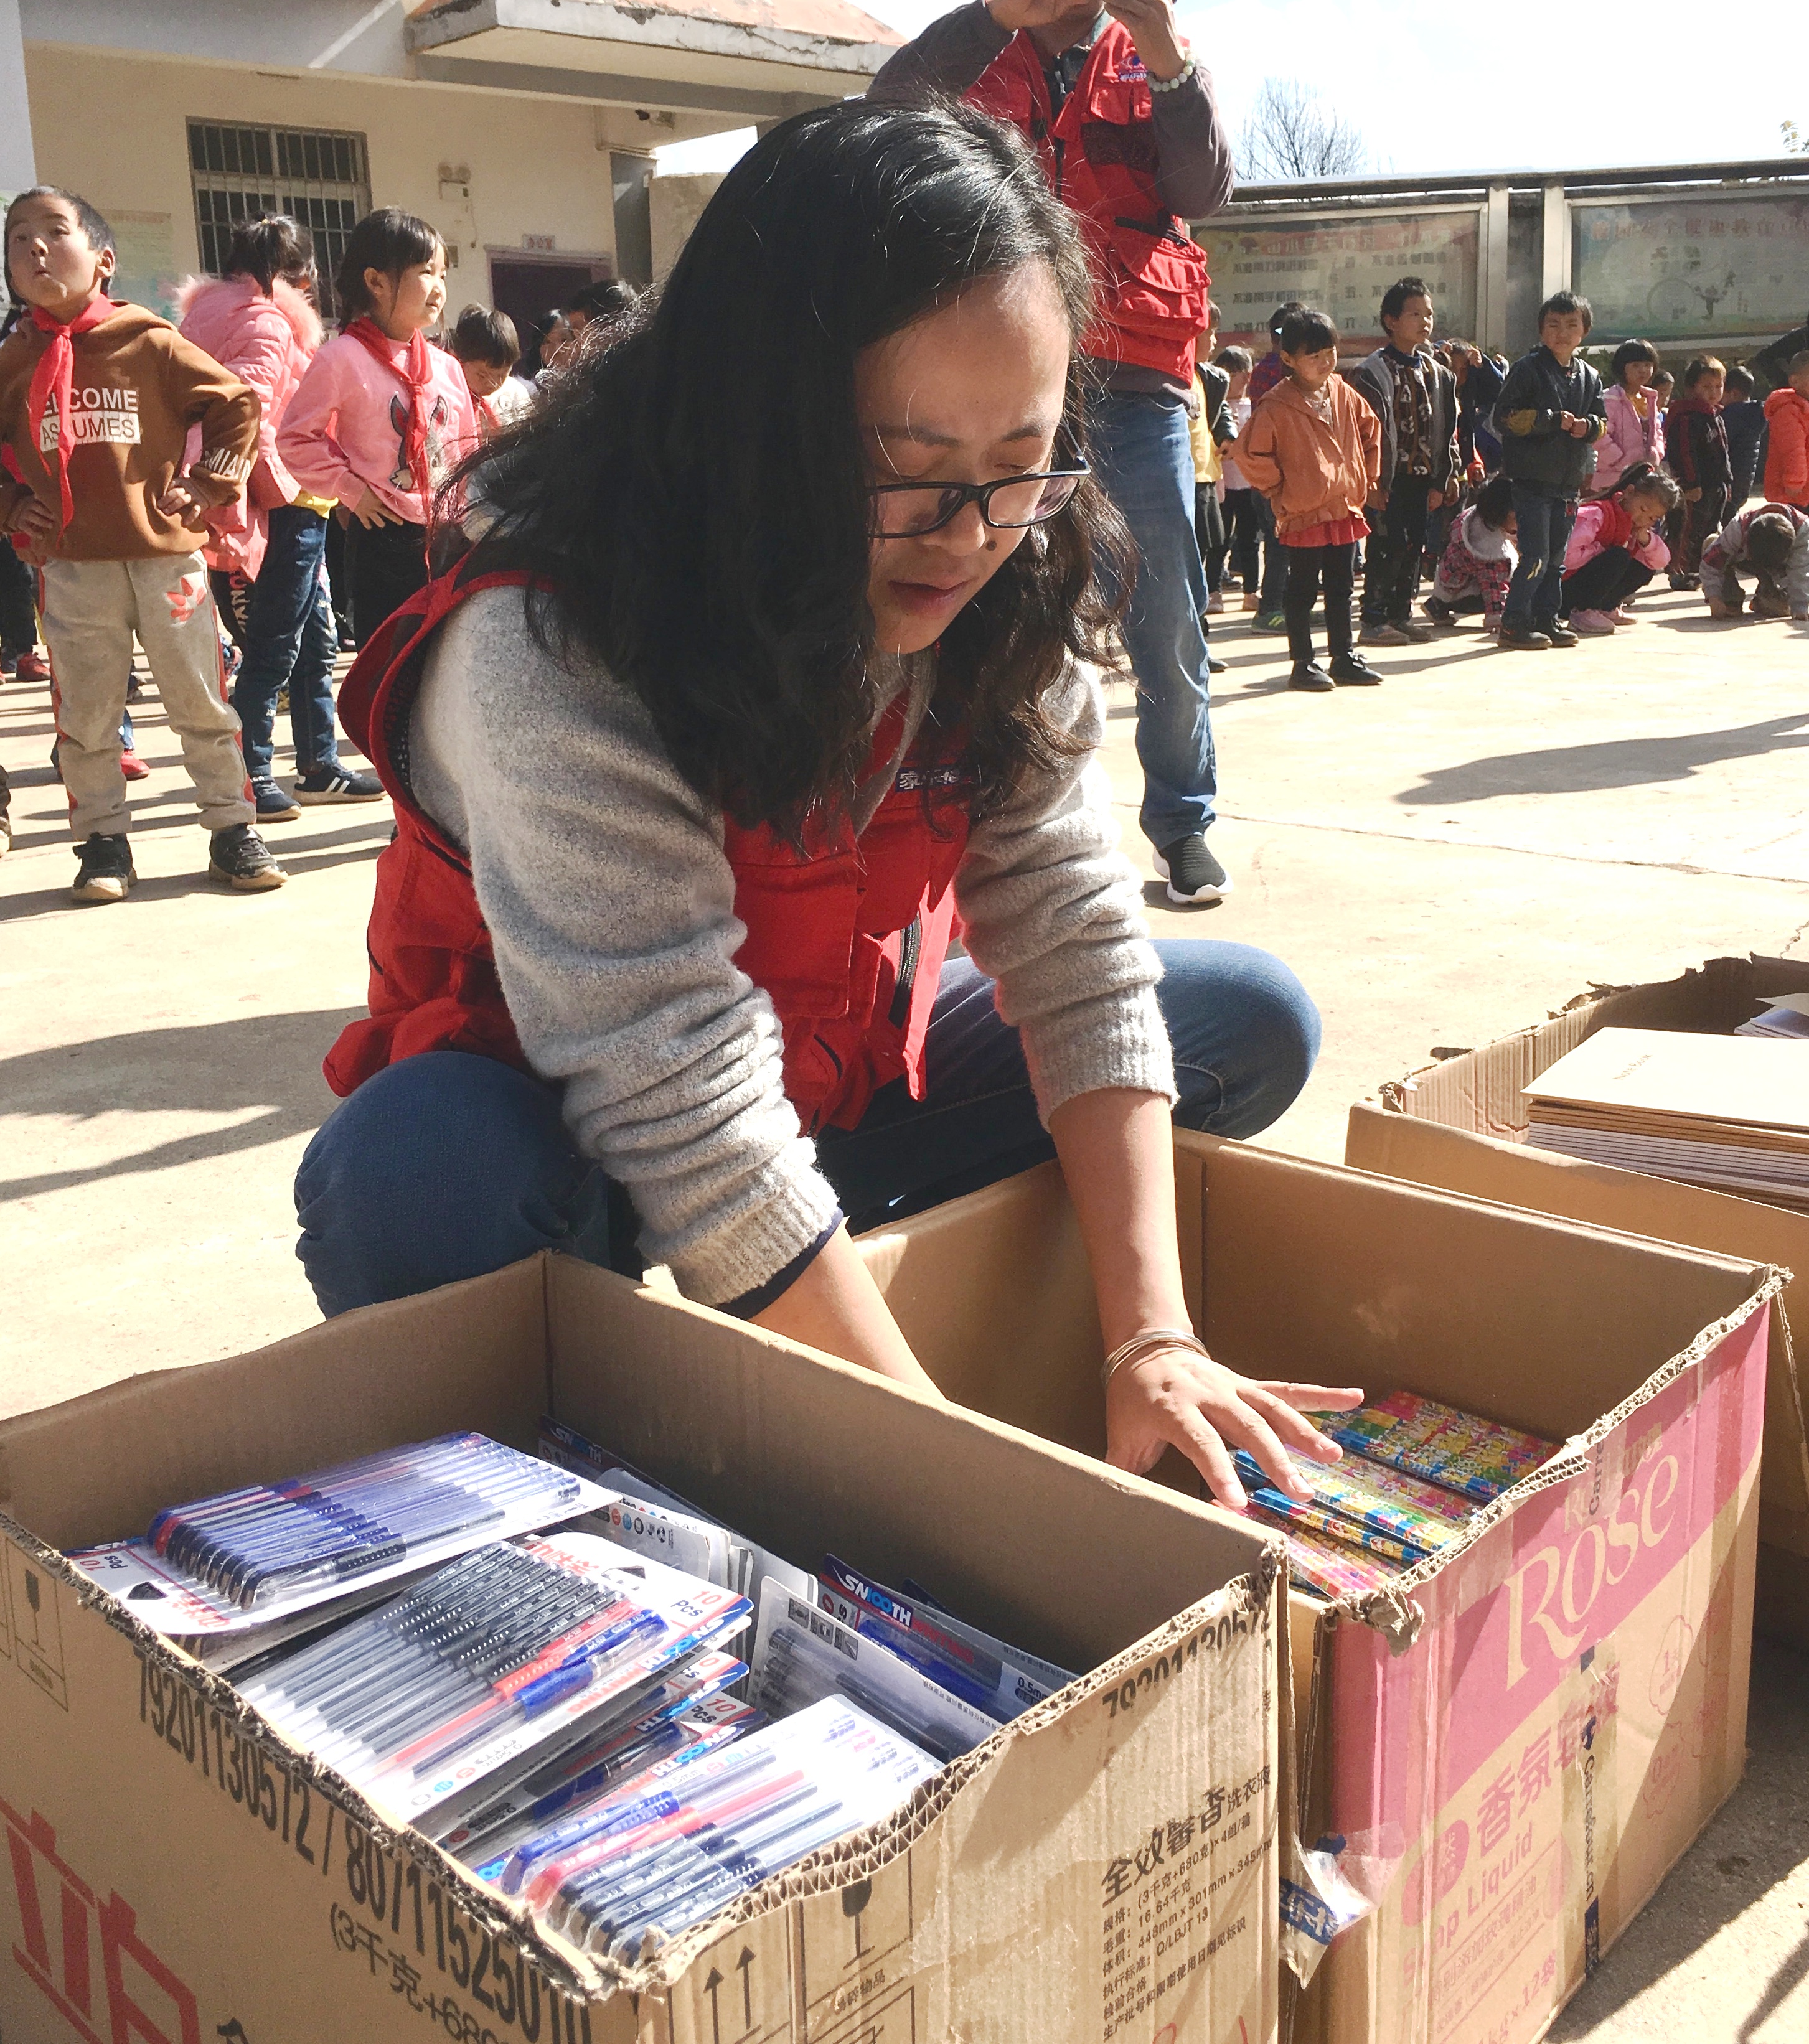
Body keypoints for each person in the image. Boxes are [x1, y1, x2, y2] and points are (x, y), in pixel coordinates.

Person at [296, 102, 1351, 1507]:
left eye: (1016, 463)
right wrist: (953, 1487)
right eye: (901, 473)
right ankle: (642, 1370)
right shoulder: (552, 636)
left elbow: (1075, 932)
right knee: (408, 1185)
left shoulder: (1009, 572)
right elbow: (670, 1079)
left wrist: (1152, 1333)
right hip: (577, 1116)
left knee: (1241, 1025)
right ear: (753, 422)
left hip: (840, 1068)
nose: (968, 535)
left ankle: (832, 1279)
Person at [870, 0, 1236, 904]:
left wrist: (1157, 46)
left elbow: (1205, 191)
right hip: (994, 373)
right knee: (969, 595)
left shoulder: (1158, 57)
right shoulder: (974, 45)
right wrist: (995, 15)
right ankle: (965, 825)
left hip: (1137, 378)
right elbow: (879, 122)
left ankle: (1183, 823)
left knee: (1166, 616)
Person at [0, 186, 285, 903]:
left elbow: (235, 404)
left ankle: (231, 828)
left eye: (54, 232)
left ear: (103, 260)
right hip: (70, 566)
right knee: (87, 713)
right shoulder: (13, 359)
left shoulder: (149, 340)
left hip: (166, 557)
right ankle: (102, 842)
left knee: (199, 699)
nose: (34, 247)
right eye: (17, 237)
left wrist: (210, 482)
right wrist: (12, 507)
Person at [179, 214, 383, 822]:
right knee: (273, 645)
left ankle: (319, 766)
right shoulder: (266, 323)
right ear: (291, 274)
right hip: (286, 504)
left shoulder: (209, 315)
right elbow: (249, 420)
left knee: (315, 642)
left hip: (289, 501)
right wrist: (288, 491)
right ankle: (254, 773)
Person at [276, 208, 476, 647]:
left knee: (446, 660)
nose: (440, 288)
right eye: (426, 272)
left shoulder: (445, 366)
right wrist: (351, 490)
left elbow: (467, 447)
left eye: (443, 274)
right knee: (385, 663)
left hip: (446, 537)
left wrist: (468, 521)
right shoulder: (341, 358)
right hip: (381, 535)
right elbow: (294, 438)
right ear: (377, 281)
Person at [1233, 307, 1381, 693]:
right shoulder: (1276, 404)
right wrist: (1279, 488)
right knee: (1301, 590)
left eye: (1329, 352)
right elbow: (1250, 453)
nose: (1324, 362)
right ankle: (1303, 662)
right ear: (1288, 359)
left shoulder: (1343, 391)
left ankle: (1344, 656)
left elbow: (1370, 431)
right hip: (1303, 512)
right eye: (1312, 356)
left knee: (1342, 586)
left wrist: (1365, 477)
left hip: (1344, 508)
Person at [1348, 276, 1460, 647]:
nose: (1425, 321)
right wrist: (1371, 481)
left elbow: (1448, 429)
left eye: (1429, 314)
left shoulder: (1437, 373)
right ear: (1391, 320)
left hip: (1422, 477)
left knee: (1414, 546)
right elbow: (1361, 433)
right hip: (1388, 479)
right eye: (1414, 313)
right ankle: (1374, 619)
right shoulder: (1372, 372)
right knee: (1387, 545)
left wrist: (1445, 478)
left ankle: (1401, 613)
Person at [1494, 290, 1606, 651]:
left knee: (1557, 557)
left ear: (1584, 332)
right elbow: (1505, 417)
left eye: (1571, 325)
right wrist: (1550, 421)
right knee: (1535, 556)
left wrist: (1587, 426)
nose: (1562, 332)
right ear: (1541, 330)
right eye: (1553, 325)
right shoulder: (1528, 369)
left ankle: (1547, 618)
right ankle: (1514, 622)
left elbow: (1602, 421)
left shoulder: (1589, 375)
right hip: (1532, 480)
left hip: (1568, 482)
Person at [1559, 462, 1678, 633]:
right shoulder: (1599, 514)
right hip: (1564, 590)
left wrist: (1646, 539)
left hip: (1587, 586)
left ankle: (1606, 607)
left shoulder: (1633, 528)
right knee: (1618, 556)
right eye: (1643, 509)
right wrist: (1600, 550)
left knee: (1644, 567)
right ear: (1629, 493)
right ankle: (1583, 612)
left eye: (1653, 518)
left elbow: (1661, 561)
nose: (1644, 518)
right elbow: (1567, 556)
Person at [1248, 301, 1306, 631]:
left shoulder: (1269, 368)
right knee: (1280, 542)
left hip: (1280, 467)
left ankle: (1285, 604)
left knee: (1288, 541)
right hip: (1276, 469)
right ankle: (1269, 607)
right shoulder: (1276, 371)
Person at [1663, 354, 1729, 589]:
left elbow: (1723, 452)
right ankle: (1681, 572)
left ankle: (1703, 570)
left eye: (1718, 386)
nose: (1714, 392)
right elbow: (1683, 453)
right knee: (1688, 531)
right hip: (1695, 489)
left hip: (1715, 487)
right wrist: (1690, 484)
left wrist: (1727, 481)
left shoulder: (1714, 415)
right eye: (1707, 387)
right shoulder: (1686, 417)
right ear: (1692, 388)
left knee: (1711, 529)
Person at [1423, 473, 1516, 634]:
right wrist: (1497, 617)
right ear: (1502, 512)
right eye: (1516, 517)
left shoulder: (1478, 518)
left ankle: (1437, 604)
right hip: (1462, 594)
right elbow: (1493, 584)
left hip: (1447, 583)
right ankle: (1445, 603)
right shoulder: (1488, 548)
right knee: (1505, 586)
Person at [1701, 502, 1809, 621]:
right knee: (1711, 545)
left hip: (1779, 571)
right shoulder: (1738, 527)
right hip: (1744, 561)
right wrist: (1714, 597)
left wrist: (1800, 607)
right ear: (1747, 537)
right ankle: (1730, 599)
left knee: (1782, 609)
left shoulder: (1803, 531)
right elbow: (1711, 564)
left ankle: (1764, 598)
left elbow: (1800, 572)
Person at [1587, 339, 1665, 497]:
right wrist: (1619, 460)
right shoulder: (1610, 399)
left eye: (1648, 365)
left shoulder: (1649, 398)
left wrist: (1656, 454)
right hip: (1611, 480)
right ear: (1622, 368)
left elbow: (1658, 431)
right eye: (1636, 365)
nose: (1643, 370)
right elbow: (1600, 435)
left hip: (1642, 478)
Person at [1215, 344, 1261, 603]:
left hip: (1248, 483)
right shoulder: (1216, 407)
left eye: (1240, 373)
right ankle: (1214, 590)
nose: (1236, 380)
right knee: (1219, 541)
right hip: (1222, 484)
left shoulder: (1254, 406)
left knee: (1250, 539)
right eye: (1228, 374)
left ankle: (1251, 591)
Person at [448, 304, 532, 439]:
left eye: (501, 376)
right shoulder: (447, 396)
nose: (493, 384)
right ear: (459, 360)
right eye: (482, 376)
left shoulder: (516, 395)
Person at [1440, 338, 1505, 477]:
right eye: (1451, 368)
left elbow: (1500, 391)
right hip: (1437, 466)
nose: (1457, 375)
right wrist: (1437, 360)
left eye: (1464, 369)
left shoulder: (1471, 384)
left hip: (1462, 465)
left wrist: (1484, 365)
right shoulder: (1434, 381)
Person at [1761, 350, 1809, 510]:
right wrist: (1794, 482)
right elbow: (1793, 450)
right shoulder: (1788, 410)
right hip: (1795, 494)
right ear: (1795, 381)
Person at [1720, 363, 1767, 513]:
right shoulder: (1757, 414)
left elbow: (1722, 445)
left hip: (1732, 477)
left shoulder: (1732, 415)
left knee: (1726, 517)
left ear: (1732, 393)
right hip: (1746, 479)